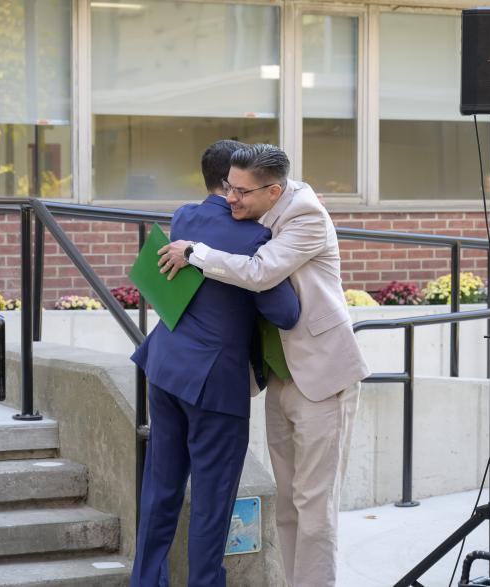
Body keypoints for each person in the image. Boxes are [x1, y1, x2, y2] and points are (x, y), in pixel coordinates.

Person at [158, 143, 370, 587]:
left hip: (320, 377)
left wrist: (194, 251)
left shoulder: (306, 216)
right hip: (278, 376)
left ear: (273, 192)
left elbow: (260, 272)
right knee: (288, 505)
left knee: (315, 508)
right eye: (229, 186)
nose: (230, 198)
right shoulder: (261, 209)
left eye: (241, 192)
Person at [130, 140, 302, 587]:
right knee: (212, 503)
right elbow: (285, 313)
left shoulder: (185, 217)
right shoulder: (255, 239)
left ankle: (145, 580)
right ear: (234, 183)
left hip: (165, 366)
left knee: (160, 489)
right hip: (214, 385)